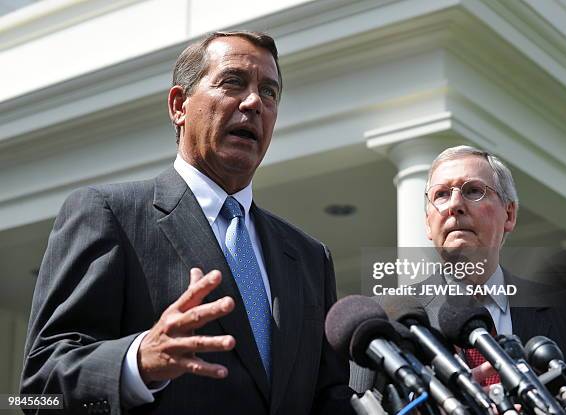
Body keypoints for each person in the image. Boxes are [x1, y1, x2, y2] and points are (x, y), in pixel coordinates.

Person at [21, 31, 354, 414]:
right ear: (179, 105)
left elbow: (330, 398)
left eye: (269, 92)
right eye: (233, 82)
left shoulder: (310, 258)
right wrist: (138, 362)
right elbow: (37, 391)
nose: (254, 103)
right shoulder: (108, 214)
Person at [351, 145, 566, 399]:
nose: (454, 205)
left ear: (509, 214)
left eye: (473, 190)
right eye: (441, 194)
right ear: (428, 224)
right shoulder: (384, 319)